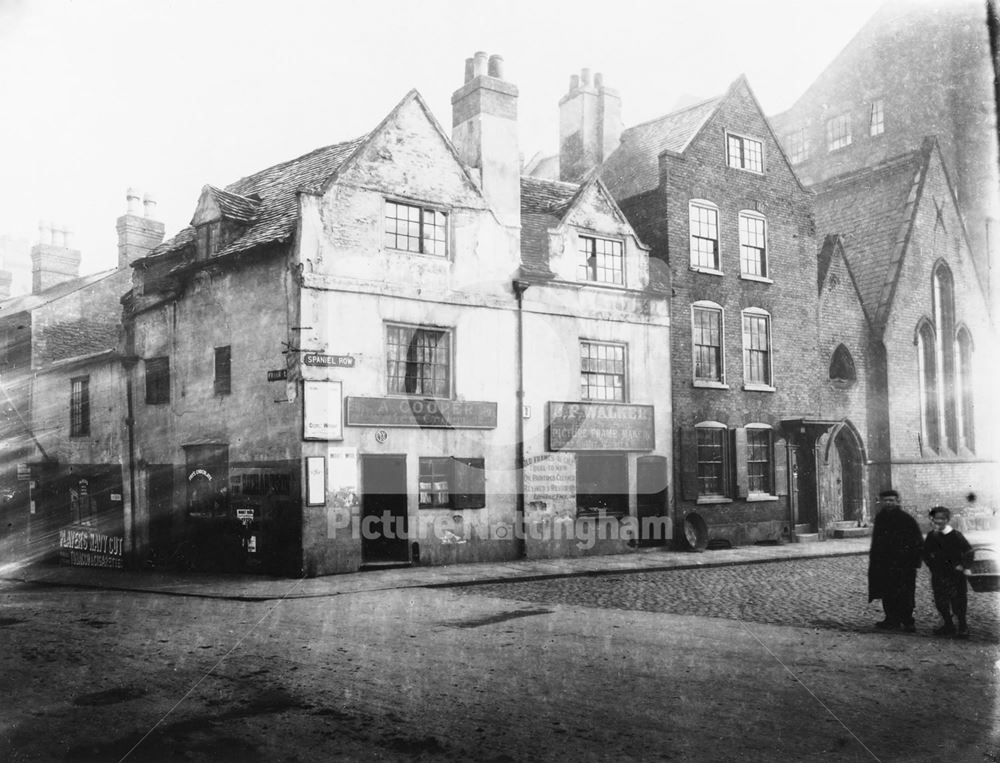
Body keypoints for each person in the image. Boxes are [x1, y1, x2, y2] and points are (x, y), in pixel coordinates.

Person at [868, 489, 923, 632]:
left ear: (897, 501)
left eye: (891, 500)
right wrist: (875, 561)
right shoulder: (880, 518)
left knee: (905, 592)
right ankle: (891, 619)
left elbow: (917, 541)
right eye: (885, 500)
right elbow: (877, 542)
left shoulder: (906, 519)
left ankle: (908, 621)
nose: (888, 503)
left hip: (904, 565)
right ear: (881, 502)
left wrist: (914, 561)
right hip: (885, 564)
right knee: (887, 592)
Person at [923, 506, 974, 638]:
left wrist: (963, 566)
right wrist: (932, 564)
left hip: (955, 575)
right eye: (936, 518)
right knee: (941, 601)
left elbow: (969, 551)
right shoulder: (931, 536)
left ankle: (963, 626)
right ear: (932, 519)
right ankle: (948, 625)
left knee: (959, 601)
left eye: (942, 518)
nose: (939, 521)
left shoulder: (956, 535)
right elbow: (925, 553)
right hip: (939, 575)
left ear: (947, 520)